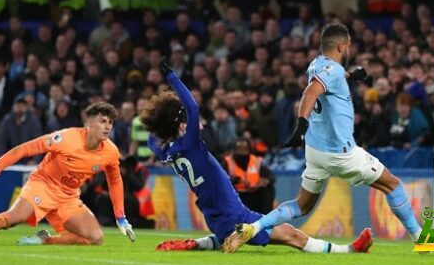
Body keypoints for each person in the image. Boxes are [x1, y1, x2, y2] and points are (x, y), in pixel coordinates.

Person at [223, 23, 421, 253]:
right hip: (340, 153)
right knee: (393, 185)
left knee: (301, 205)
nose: (349, 51)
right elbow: (311, 91)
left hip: (316, 151)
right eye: (347, 47)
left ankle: (253, 228)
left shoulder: (316, 64)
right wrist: (301, 124)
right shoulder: (333, 72)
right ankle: (420, 237)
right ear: (340, 46)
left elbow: (327, 78)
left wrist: (351, 75)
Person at [143, 57, 372, 254]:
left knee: (244, 235)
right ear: (182, 126)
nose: (199, 123)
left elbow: (151, 139)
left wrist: (163, 124)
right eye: (190, 122)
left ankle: (197, 244)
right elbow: (192, 108)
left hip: (219, 215)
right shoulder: (190, 143)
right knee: (290, 235)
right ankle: (349, 250)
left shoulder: (168, 152)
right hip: (232, 215)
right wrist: (172, 76)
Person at [0, 102, 135, 245]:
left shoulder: (110, 151)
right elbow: (25, 149)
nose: (108, 126)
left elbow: (115, 180)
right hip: (43, 185)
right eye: (102, 121)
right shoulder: (65, 138)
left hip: (68, 196)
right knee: (11, 218)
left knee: (95, 238)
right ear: (89, 123)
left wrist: (120, 217)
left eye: (110, 122)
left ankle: (44, 240)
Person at [223, 138, 275, 215]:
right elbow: (221, 179)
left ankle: (266, 218)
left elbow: (271, 176)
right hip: (236, 196)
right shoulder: (227, 162)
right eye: (240, 149)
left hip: (254, 196)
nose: (242, 153)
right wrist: (237, 180)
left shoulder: (256, 161)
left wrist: (266, 180)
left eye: (245, 149)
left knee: (269, 188)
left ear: (249, 150)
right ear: (234, 150)